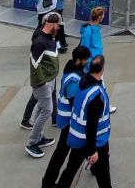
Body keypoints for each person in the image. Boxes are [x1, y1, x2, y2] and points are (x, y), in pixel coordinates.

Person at [53, 55, 111, 188]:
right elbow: (92, 125)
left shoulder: (82, 82)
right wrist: (92, 151)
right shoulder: (96, 95)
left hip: (78, 138)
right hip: (93, 142)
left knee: (71, 169)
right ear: (102, 69)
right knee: (104, 178)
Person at [39, 46, 91, 187]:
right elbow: (76, 104)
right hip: (71, 124)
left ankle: (48, 181)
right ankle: (49, 182)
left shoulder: (72, 70)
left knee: (62, 153)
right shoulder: (73, 80)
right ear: (78, 60)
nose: (87, 62)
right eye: (85, 60)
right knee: (66, 155)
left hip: (69, 122)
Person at [24, 11, 63, 158]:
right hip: (43, 83)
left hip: (49, 79)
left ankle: (39, 137)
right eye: (58, 26)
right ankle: (32, 142)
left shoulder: (47, 36)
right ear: (52, 24)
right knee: (47, 110)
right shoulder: (40, 42)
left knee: (41, 108)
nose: (59, 28)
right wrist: (41, 83)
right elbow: (34, 64)